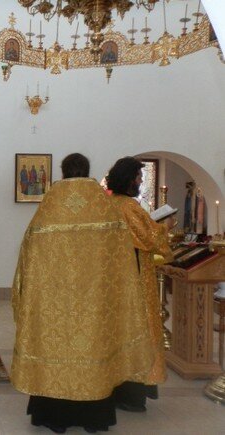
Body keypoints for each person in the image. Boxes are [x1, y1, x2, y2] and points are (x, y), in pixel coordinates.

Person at [11, 153, 156, 433]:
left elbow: (27, 255)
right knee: (92, 350)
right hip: (94, 303)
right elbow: (122, 260)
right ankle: (93, 418)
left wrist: (25, 292)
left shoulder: (49, 207)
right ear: (88, 170)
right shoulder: (104, 207)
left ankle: (53, 417)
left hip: (54, 303)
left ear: (63, 173)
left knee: (54, 347)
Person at [107, 156, 174, 413]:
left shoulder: (107, 204)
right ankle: (132, 392)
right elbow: (150, 239)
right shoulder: (128, 207)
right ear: (128, 178)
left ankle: (116, 386)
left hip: (116, 279)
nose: (141, 181)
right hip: (133, 279)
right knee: (137, 331)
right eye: (138, 177)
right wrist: (165, 228)